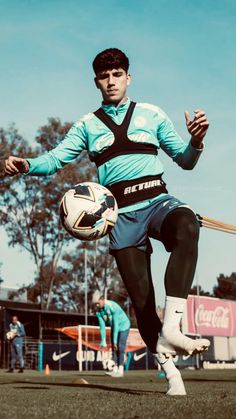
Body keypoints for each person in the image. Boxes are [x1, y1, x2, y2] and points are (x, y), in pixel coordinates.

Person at [4, 47, 210, 395]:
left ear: (128, 78)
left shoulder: (151, 114)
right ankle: (170, 369)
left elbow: (185, 161)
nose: (111, 81)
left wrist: (196, 141)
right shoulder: (87, 125)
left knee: (188, 225)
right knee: (143, 303)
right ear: (96, 82)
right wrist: (27, 164)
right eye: (104, 76)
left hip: (159, 202)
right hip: (121, 217)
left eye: (118, 75)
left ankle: (173, 330)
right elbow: (55, 160)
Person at [93, 294, 130, 377]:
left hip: (123, 326)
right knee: (114, 348)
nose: (97, 305)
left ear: (102, 300)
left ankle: (121, 370)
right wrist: (103, 341)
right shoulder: (99, 311)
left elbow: (116, 324)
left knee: (120, 347)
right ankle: (115, 369)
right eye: (95, 304)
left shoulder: (113, 306)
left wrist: (115, 341)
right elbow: (102, 327)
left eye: (98, 303)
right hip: (114, 327)